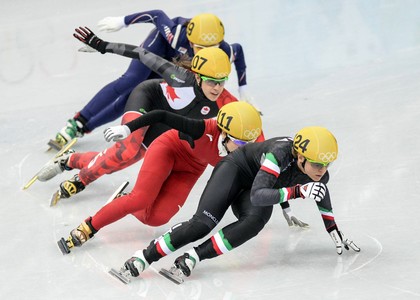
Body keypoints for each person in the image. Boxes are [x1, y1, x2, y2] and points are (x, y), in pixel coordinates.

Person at [112, 126, 360, 282]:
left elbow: (321, 192)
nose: (322, 170)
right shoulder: (279, 154)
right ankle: (144, 257)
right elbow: (259, 195)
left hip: (260, 184)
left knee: (254, 222)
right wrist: (295, 192)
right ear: (300, 157)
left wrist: (332, 228)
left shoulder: (318, 170)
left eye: (326, 164)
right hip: (236, 171)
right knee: (202, 223)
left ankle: (192, 258)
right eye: (317, 165)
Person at [38, 31, 259, 203]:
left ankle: (69, 160)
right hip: (147, 99)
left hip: (164, 122)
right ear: (198, 77)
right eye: (211, 81)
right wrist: (103, 45)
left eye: (222, 81)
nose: (217, 87)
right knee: (127, 149)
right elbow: (143, 54)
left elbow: (250, 133)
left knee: (120, 159)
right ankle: (81, 180)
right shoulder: (180, 77)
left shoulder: (225, 101)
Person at [57, 101, 269, 254]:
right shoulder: (202, 129)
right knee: (141, 199)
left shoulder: (249, 143)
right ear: (223, 133)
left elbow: (267, 173)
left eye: (248, 143)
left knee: (156, 218)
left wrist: (283, 204)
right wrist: (128, 128)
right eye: (239, 143)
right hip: (168, 148)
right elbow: (161, 115)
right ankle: (88, 226)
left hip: (191, 168)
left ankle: (124, 199)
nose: (244, 148)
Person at [50, 11, 256, 149]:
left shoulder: (224, 51)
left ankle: (84, 128)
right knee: (130, 80)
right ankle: (77, 121)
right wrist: (123, 22)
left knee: (131, 98)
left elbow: (238, 51)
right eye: (198, 47)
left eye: (210, 48)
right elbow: (156, 15)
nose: (203, 52)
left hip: (174, 65)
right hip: (160, 48)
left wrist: (243, 88)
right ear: (190, 40)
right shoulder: (176, 34)